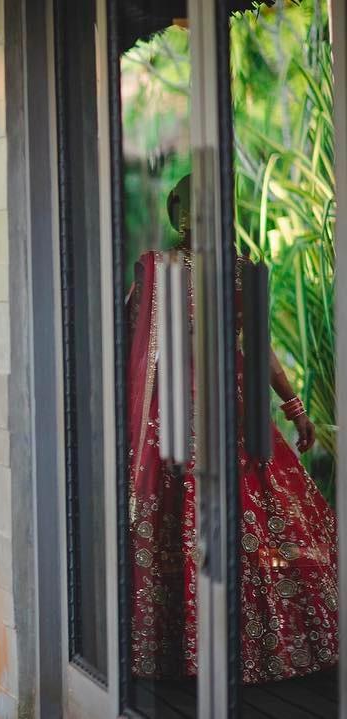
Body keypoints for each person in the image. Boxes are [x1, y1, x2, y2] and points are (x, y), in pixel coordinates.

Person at [128, 175, 338, 684]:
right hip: (185, 418)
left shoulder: (212, 270)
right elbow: (132, 346)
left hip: (213, 416)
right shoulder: (172, 269)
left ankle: (212, 652)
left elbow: (257, 348)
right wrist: (293, 407)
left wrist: (294, 408)